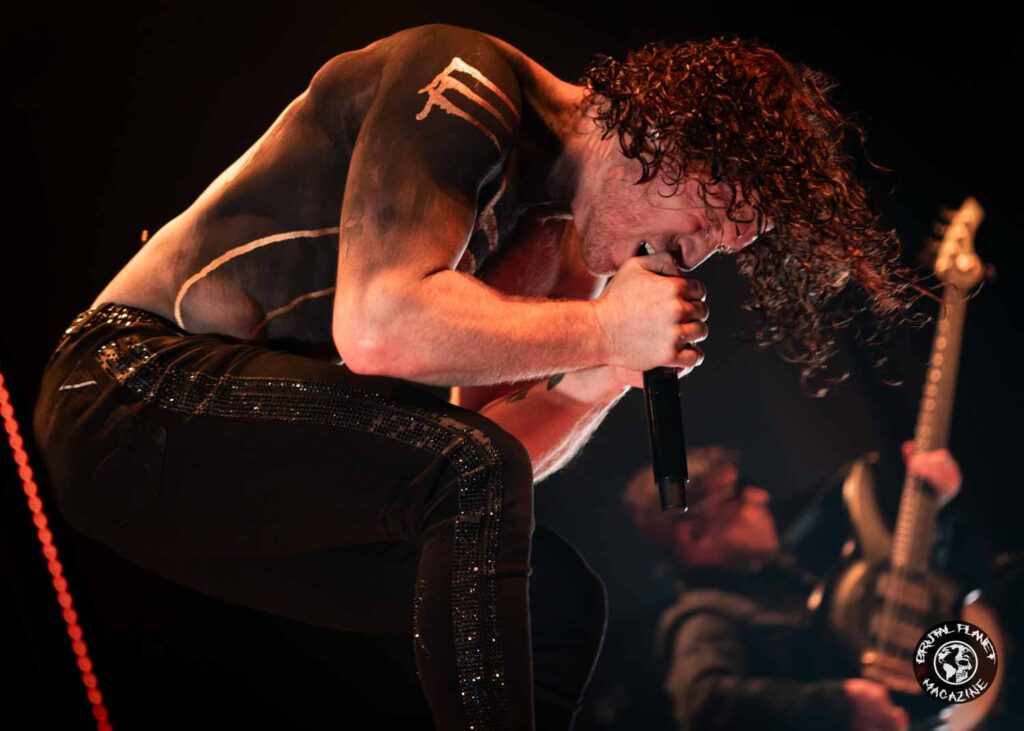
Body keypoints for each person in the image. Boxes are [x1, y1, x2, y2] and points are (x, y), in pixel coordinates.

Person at [32, 23, 919, 730]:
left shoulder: (563, 243)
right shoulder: (470, 83)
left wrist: (603, 373)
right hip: (124, 392)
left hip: (210, 481)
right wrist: (601, 329)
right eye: (704, 220)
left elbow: (487, 459)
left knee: (554, 598)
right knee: (468, 476)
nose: (693, 256)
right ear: (660, 137)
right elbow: (379, 328)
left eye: (723, 247)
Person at [622, 444, 963, 731]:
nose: (761, 496)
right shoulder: (702, 616)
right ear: (694, 535)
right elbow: (705, 704)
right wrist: (841, 704)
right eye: (738, 492)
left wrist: (934, 508)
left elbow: (902, 596)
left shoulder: (788, 577)